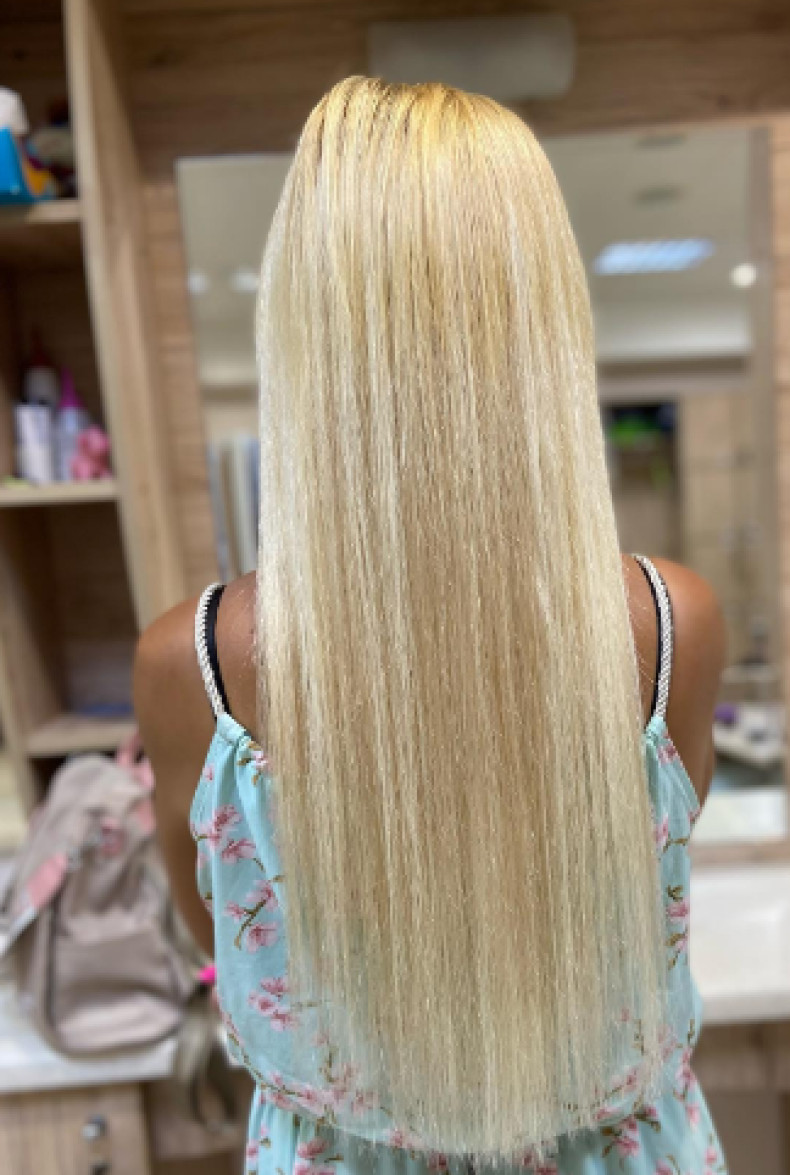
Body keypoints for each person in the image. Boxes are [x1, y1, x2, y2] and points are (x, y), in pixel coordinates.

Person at [135, 77, 727, 1174]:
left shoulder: (198, 662)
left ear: (302, 325)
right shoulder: (665, 625)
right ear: (545, 311)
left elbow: (210, 918)